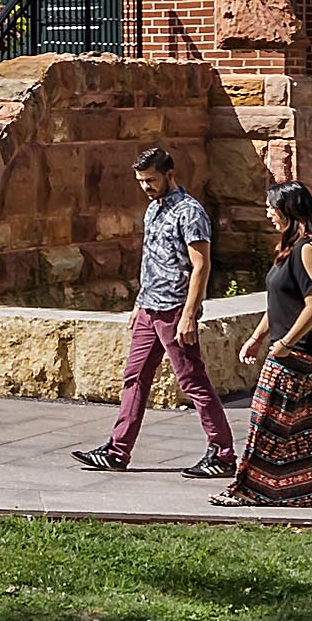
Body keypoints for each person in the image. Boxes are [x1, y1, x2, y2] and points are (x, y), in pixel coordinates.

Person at [75, 146, 234, 479]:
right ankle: (118, 451)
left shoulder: (190, 212)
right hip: (149, 309)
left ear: (170, 175)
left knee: (193, 381)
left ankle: (222, 454)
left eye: (151, 180)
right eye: (141, 181)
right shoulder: (153, 210)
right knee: (134, 378)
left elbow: (201, 265)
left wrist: (190, 314)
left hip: (175, 310)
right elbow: (151, 259)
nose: (146, 186)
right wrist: (138, 303)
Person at [214, 179, 312, 508]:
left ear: (288, 210)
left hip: (298, 354)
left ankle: (250, 490)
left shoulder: (308, 249)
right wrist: (256, 337)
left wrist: (284, 343)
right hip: (288, 349)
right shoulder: (288, 251)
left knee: (266, 421)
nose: (268, 213)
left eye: (272, 207)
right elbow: (281, 302)